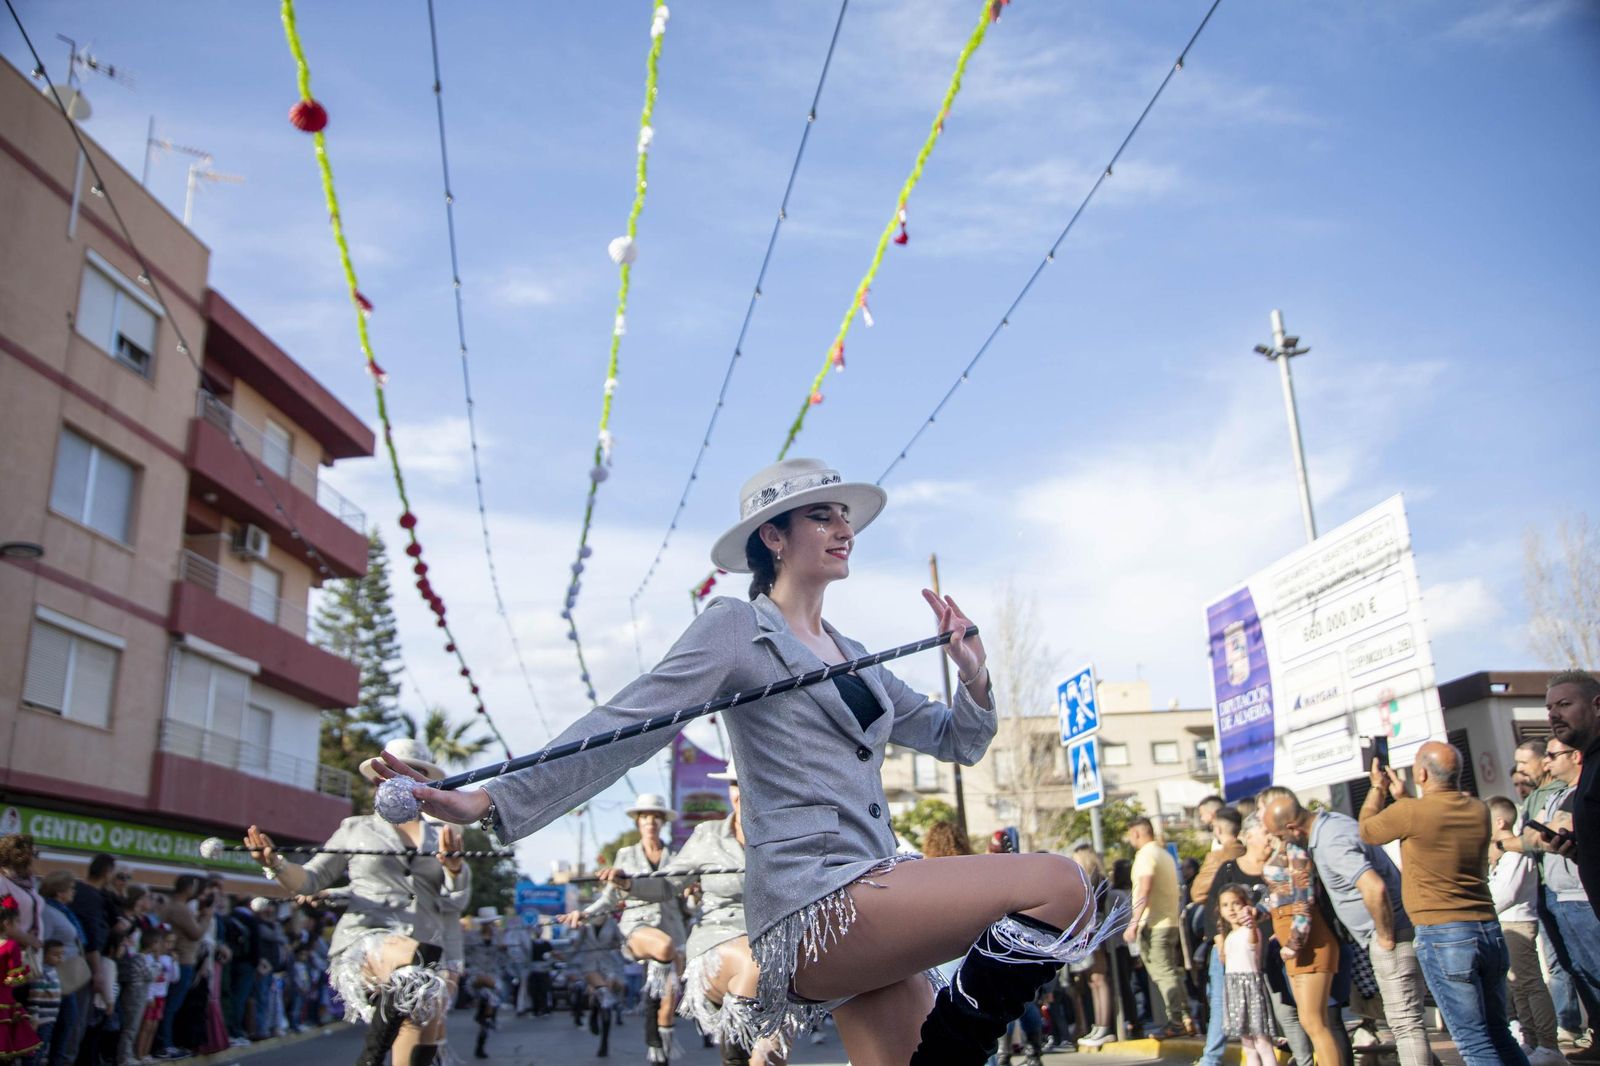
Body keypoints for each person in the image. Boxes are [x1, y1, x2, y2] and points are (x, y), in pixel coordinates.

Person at [377, 458, 1116, 1065]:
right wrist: (492, 800)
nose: (842, 529)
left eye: (844, 515)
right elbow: (629, 721)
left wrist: (975, 673)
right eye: (821, 516)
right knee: (1059, 882)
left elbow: (959, 740)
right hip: (813, 904)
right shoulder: (736, 629)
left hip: (874, 896)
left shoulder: (858, 657)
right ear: (773, 536)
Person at [243, 737, 470, 1066]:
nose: (403, 779)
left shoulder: (443, 837)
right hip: (367, 940)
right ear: (381, 779)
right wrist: (275, 864)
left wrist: (454, 869)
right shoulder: (356, 829)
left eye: (413, 772)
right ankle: (371, 1055)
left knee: (420, 1022)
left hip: (427, 947)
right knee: (412, 964)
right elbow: (309, 879)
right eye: (393, 771)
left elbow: (454, 904)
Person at [1360, 740, 1528, 1065]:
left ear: (1421, 773)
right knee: (1499, 1033)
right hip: (1488, 929)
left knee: (1473, 1042)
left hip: (1445, 936)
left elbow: (1367, 830)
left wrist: (1377, 790)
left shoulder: (1410, 813)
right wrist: (1404, 798)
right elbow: (1433, 824)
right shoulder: (1478, 809)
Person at [1262, 787, 1429, 1066]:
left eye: (1280, 837)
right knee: (1401, 1022)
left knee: (1405, 1023)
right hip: (1379, 933)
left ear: (1293, 828)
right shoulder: (1330, 827)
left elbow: (1373, 887)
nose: (1281, 844)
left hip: (1389, 933)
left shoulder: (1330, 841)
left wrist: (1385, 937)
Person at [663, 761, 786, 1066]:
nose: (741, 789)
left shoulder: (785, 835)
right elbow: (665, 884)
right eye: (734, 782)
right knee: (755, 961)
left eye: (748, 779)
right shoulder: (706, 836)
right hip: (717, 943)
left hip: (776, 949)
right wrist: (627, 883)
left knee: (771, 1056)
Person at [562, 793, 689, 1063]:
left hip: (673, 931)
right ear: (638, 822)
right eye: (645, 816)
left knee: (668, 1008)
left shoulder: (676, 858)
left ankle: (659, 1055)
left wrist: (695, 893)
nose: (650, 822)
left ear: (663, 821)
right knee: (663, 945)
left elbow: (682, 898)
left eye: (656, 816)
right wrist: (583, 914)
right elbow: (609, 899)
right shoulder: (625, 855)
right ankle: (649, 1012)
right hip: (639, 930)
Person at [1203, 814, 1317, 1066]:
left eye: (1270, 833)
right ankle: (1210, 1059)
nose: (1269, 839)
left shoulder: (1279, 868)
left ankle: (1304, 1058)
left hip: (1276, 949)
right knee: (1239, 1026)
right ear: (1248, 836)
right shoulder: (1231, 869)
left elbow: (1295, 902)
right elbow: (1211, 908)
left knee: (1287, 1012)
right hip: (1238, 956)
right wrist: (1220, 943)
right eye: (1263, 833)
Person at [1488, 795, 1568, 1065]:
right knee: (1518, 987)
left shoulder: (1516, 853)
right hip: (1505, 923)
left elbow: (1505, 894)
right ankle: (1531, 1040)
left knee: (1530, 984)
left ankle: (1549, 1045)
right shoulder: (1502, 853)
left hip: (1517, 923)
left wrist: (1482, 909)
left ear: (1499, 821)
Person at [1121, 818, 1190, 1038]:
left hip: (1154, 923)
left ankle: (1177, 1022)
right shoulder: (1164, 854)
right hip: (1169, 920)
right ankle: (1186, 1017)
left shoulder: (1145, 856)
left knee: (1163, 973)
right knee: (1170, 971)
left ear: (1137, 833)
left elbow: (1145, 888)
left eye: (1130, 834)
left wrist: (1133, 923)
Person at [1545, 671, 1600, 915]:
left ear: (1597, 706)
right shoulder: (1589, 764)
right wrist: (1581, 851)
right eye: (1549, 708)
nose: (1554, 715)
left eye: (1565, 704)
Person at [1215, 886, 1277, 1066]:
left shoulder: (1250, 930)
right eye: (1226, 905)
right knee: (1248, 1045)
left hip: (1250, 989)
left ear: (1246, 906)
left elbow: (1252, 944)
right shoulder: (1229, 935)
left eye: (1236, 903)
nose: (1232, 909)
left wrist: (1251, 923)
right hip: (1234, 991)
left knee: (1262, 1042)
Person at [1068, 846, 1116, 1049]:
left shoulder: (1095, 881)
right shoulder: (1091, 881)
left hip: (1095, 936)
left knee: (1098, 979)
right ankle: (1099, 1025)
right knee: (1093, 981)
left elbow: (1095, 911)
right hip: (1091, 935)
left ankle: (1104, 1026)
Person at [0, 896, 42, 1062]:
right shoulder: (11, 946)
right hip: (4, 1003)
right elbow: (14, 980)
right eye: (17, 922)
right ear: (7, 923)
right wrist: (27, 971)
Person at [470, 973, 499, 1060]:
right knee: (483, 1033)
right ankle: (479, 1050)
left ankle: (480, 1050)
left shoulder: (485, 991)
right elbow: (488, 1004)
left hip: (484, 1015)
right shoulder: (485, 992)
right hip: (484, 1016)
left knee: (484, 1033)